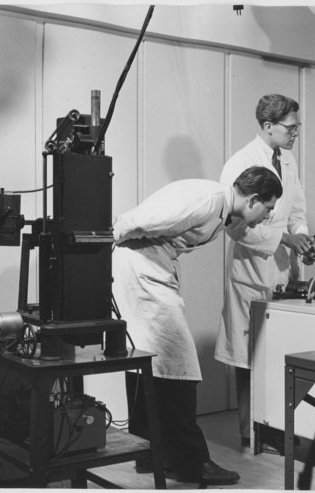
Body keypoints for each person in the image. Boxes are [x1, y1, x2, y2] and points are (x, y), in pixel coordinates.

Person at [112, 166, 282, 485]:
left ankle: (150, 453)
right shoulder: (209, 200)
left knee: (147, 361)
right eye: (268, 208)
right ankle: (192, 463)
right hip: (140, 270)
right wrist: (111, 240)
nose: (266, 217)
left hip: (145, 270)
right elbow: (138, 221)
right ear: (254, 199)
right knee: (179, 366)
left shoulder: (218, 207)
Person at [214, 94, 313, 447]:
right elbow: (234, 225)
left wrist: (301, 239)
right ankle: (249, 430)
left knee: (280, 351)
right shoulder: (239, 163)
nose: (295, 133)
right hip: (250, 271)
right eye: (291, 127)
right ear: (268, 126)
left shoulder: (288, 159)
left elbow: (297, 211)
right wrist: (282, 238)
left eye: (297, 127)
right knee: (248, 354)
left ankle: (278, 428)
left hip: (282, 269)